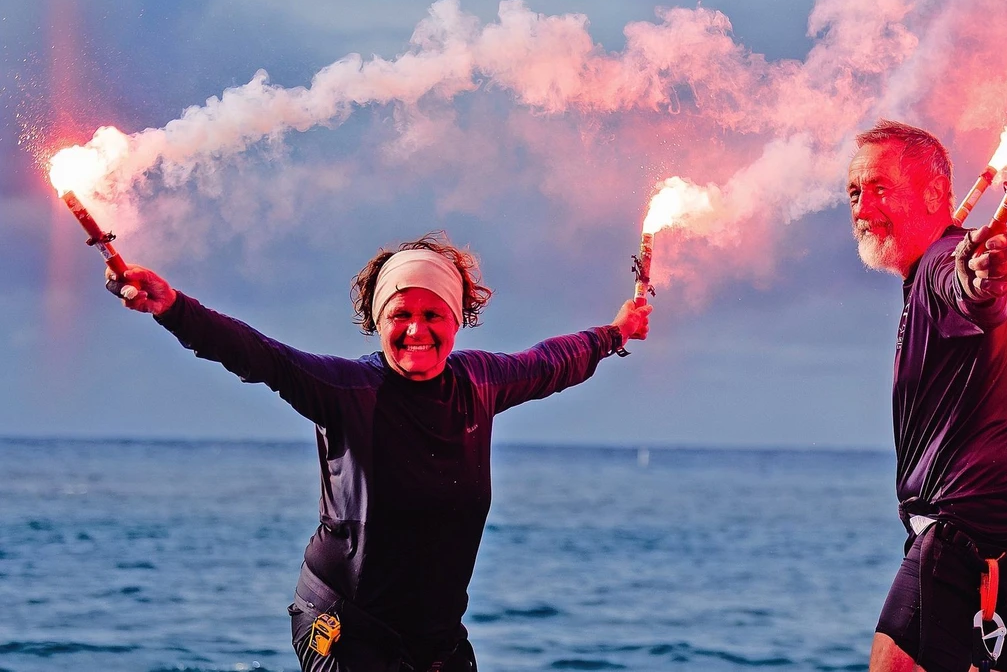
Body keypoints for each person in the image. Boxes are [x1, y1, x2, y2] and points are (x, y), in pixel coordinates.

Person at [107, 232, 652, 672]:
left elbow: (550, 361)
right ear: (380, 321)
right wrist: (174, 308)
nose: (417, 329)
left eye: (433, 315)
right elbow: (260, 356)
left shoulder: (481, 382)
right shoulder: (349, 391)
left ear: (456, 319)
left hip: (434, 636)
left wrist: (616, 332)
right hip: (344, 624)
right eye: (400, 315)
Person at [846, 121, 1007, 672]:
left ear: (931, 195)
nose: (861, 206)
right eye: (854, 193)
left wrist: (979, 279)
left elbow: (969, 288)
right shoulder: (927, 270)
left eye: (878, 188)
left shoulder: (943, 266)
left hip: (964, 542)